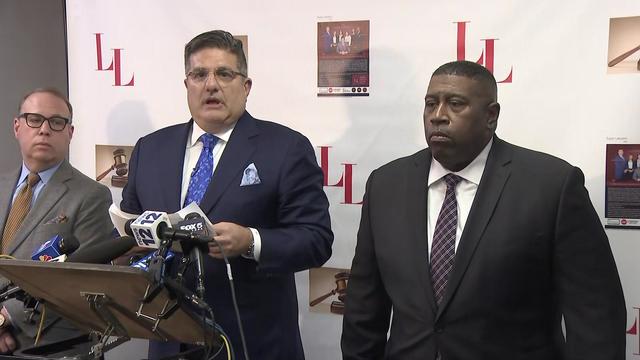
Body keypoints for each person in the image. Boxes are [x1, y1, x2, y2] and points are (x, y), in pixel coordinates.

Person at [341, 60, 625, 360]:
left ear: (491, 116)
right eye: (430, 103)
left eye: (455, 104)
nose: (438, 116)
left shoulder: (552, 186)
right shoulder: (385, 185)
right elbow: (364, 307)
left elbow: (595, 314)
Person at [120, 30, 333, 360]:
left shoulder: (285, 148)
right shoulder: (150, 149)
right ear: (187, 84)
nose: (211, 84)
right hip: (168, 341)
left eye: (224, 73)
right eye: (199, 74)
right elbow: (129, 229)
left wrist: (251, 241)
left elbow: (316, 240)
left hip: (253, 343)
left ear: (246, 87)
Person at [0, 88, 114, 354]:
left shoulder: (91, 195)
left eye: (56, 122)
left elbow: (79, 279)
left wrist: (6, 319)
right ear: (17, 127)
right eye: (34, 119)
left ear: (70, 133)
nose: (44, 130)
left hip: (50, 345)